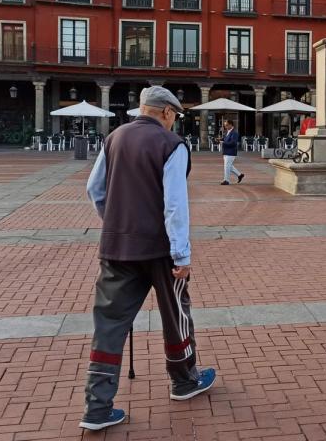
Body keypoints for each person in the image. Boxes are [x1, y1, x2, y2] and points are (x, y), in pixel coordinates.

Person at [81, 86, 217, 432]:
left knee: (109, 324)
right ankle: (184, 380)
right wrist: (182, 254)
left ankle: (97, 407)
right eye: (175, 117)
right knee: (175, 314)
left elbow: (94, 190)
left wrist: (115, 222)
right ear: (167, 113)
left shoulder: (114, 138)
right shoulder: (171, 145)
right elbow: (174, 206)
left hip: (117, 246)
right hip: (160, 249)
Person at [220, 120, 244, 185]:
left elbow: (233, 143)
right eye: (225, 125)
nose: (225, 126)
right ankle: (240, 175)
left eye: (227, 125)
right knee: (229, 166)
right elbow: (225, 139)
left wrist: (223, 143)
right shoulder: (227, 132)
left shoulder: (234, 133)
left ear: (231, 125)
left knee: (227, 166)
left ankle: (226, 180)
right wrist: (220, 139)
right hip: (226, 151)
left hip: (231, 152)